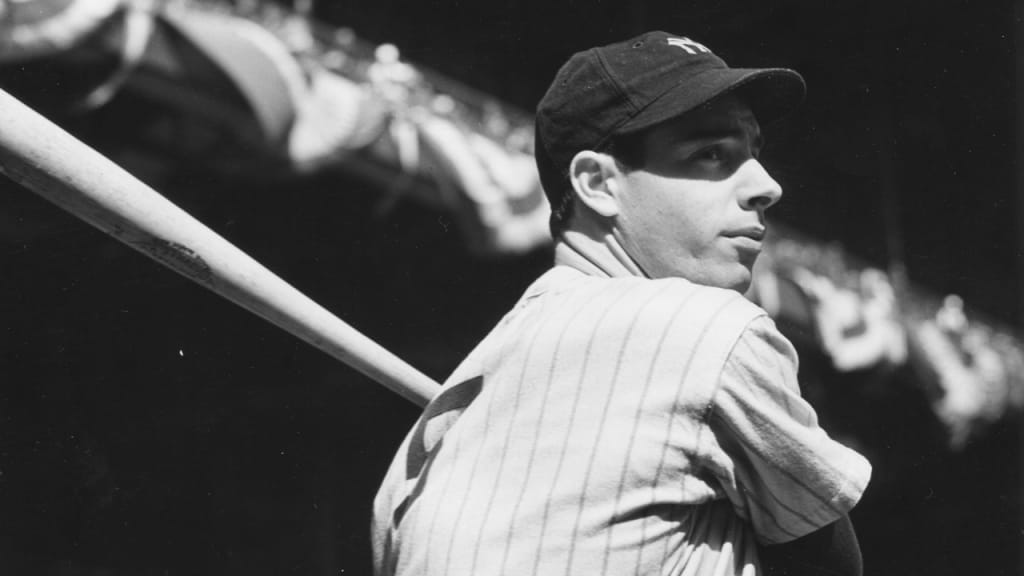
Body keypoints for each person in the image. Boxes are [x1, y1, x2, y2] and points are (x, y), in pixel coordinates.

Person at [371, 30, 872, 576]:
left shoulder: (413, 463)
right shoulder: (702, 330)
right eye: (709, 154)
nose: (766, 185)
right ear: (597, 184)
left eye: (752, 152)